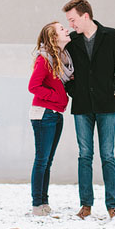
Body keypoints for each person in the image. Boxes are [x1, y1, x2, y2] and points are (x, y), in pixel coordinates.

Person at [62, 0, 115, 219]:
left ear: (85, 16)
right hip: (81, 106)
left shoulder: (112, 36)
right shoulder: (71, 41)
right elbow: (64, 70)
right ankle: (86, 205)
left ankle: (112, 205)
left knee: (108, 155)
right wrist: (73, 90)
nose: (71, 25)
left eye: (73, 20)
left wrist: (113, 90)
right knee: (85, 155)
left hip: (106, 105)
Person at [28, 21, 74, 216]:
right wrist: (58, 97)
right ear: (54, 38)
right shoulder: (44, 59)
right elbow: (34, 86)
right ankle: (37, 204)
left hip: (56, 114)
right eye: (62, 29)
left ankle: (44, 201)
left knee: (48, 161)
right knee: (41, 160)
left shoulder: (63, 59)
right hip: (43, 114)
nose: (67, 30)